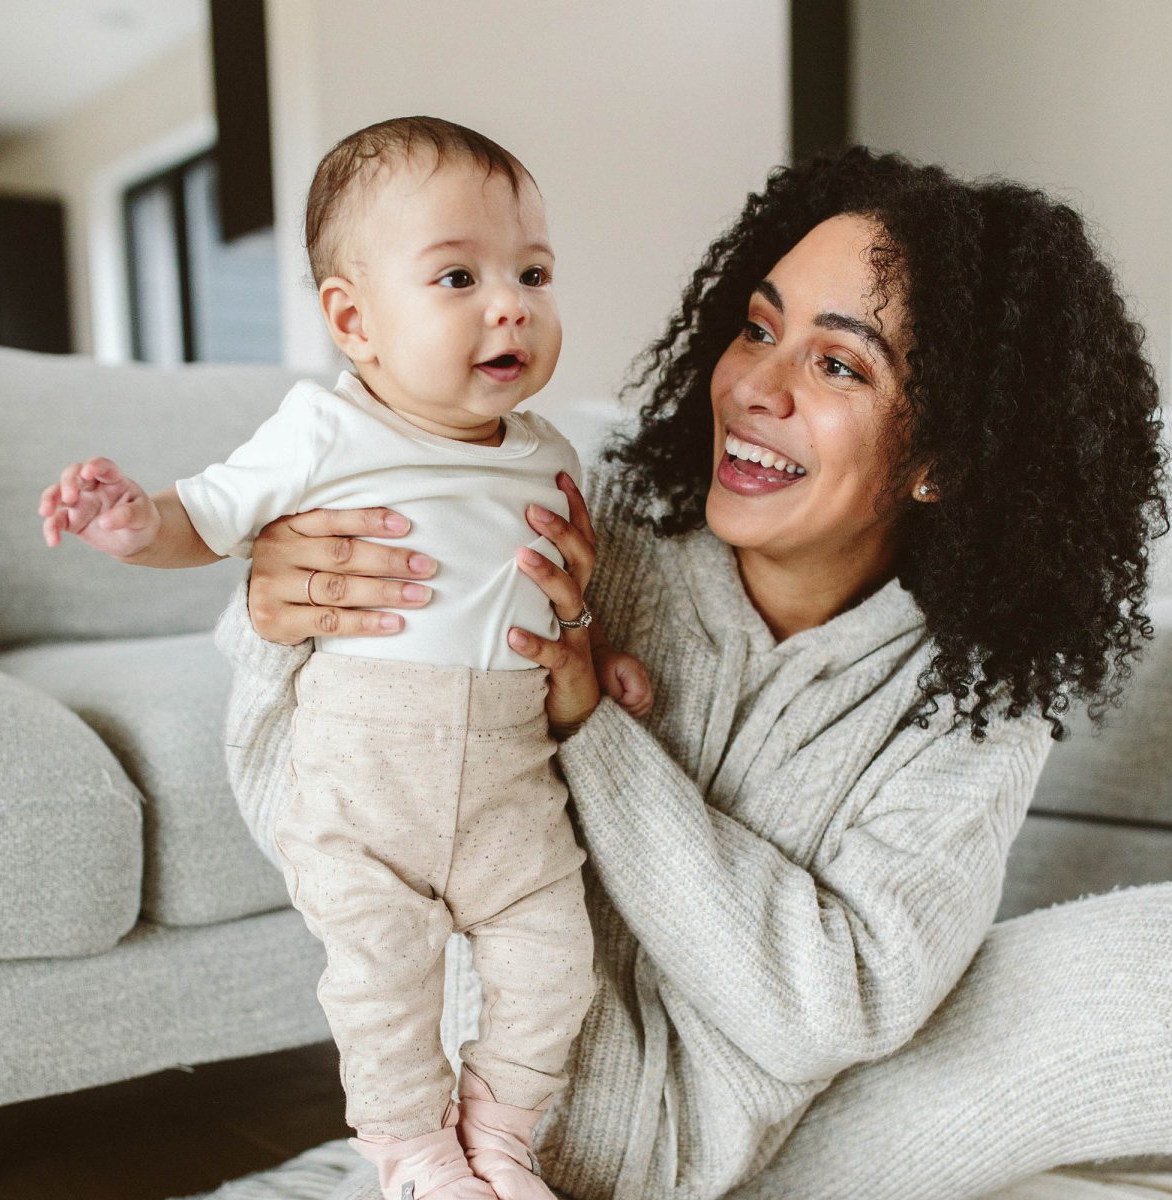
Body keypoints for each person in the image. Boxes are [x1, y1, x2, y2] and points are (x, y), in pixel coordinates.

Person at [217, 146, 1172, 1200]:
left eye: (839, 364)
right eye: (759, 329)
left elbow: (837, 1005)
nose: (756, 386)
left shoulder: (976, 701)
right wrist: (279, 630)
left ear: (947, 456)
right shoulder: (565, 528)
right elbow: (306, 817)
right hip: (473, 1161)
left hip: (759, 1169)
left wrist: (593, 727)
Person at [39, 116, 653, 1200]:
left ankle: (501, 1133)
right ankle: (414, 1157)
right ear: (354, 320)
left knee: (558, 966)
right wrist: (134, 522)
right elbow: (209, 515)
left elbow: (564, 603)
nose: (509, 301)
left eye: (533, 271)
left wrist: (605, 661)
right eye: (457, 275)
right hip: (366, 781)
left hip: (512, 784)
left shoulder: (552, 452)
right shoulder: (323, 431)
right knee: (383, 987)